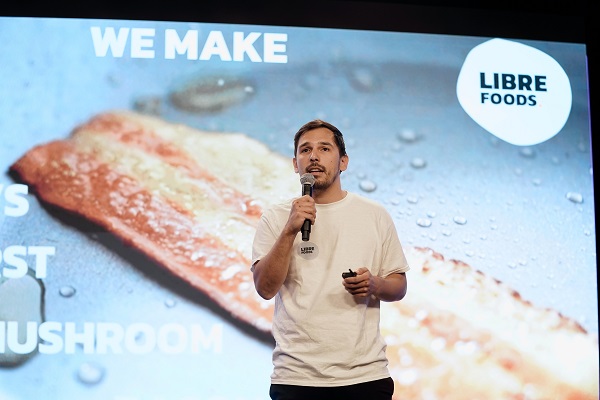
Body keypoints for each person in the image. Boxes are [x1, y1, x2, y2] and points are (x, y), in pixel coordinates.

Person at [251, 119, 410, 400]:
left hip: (365, 376)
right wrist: (289, 230)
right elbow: (265, 288)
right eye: (305, 150)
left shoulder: (373, 214)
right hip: (296, 378)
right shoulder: (276, 217)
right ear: (295, 164)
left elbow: (399, 286)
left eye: (324, 149)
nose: (314, 156)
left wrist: (374, 285)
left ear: (343, 162)